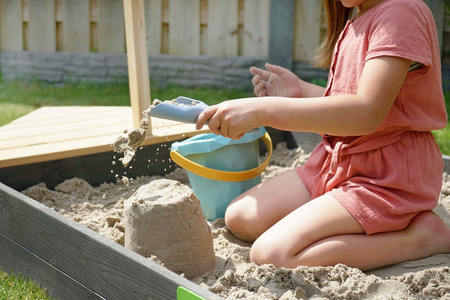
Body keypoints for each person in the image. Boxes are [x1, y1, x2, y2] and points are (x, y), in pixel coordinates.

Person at [196, 0, 450, 270]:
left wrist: (263, 111)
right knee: (241, 216)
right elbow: (352, 103)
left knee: (272, 254)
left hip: (385, 178)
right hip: (335, 163)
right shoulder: (359, 15)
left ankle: (420, 239)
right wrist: (301, 92)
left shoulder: (401, 12)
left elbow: (366, 113)